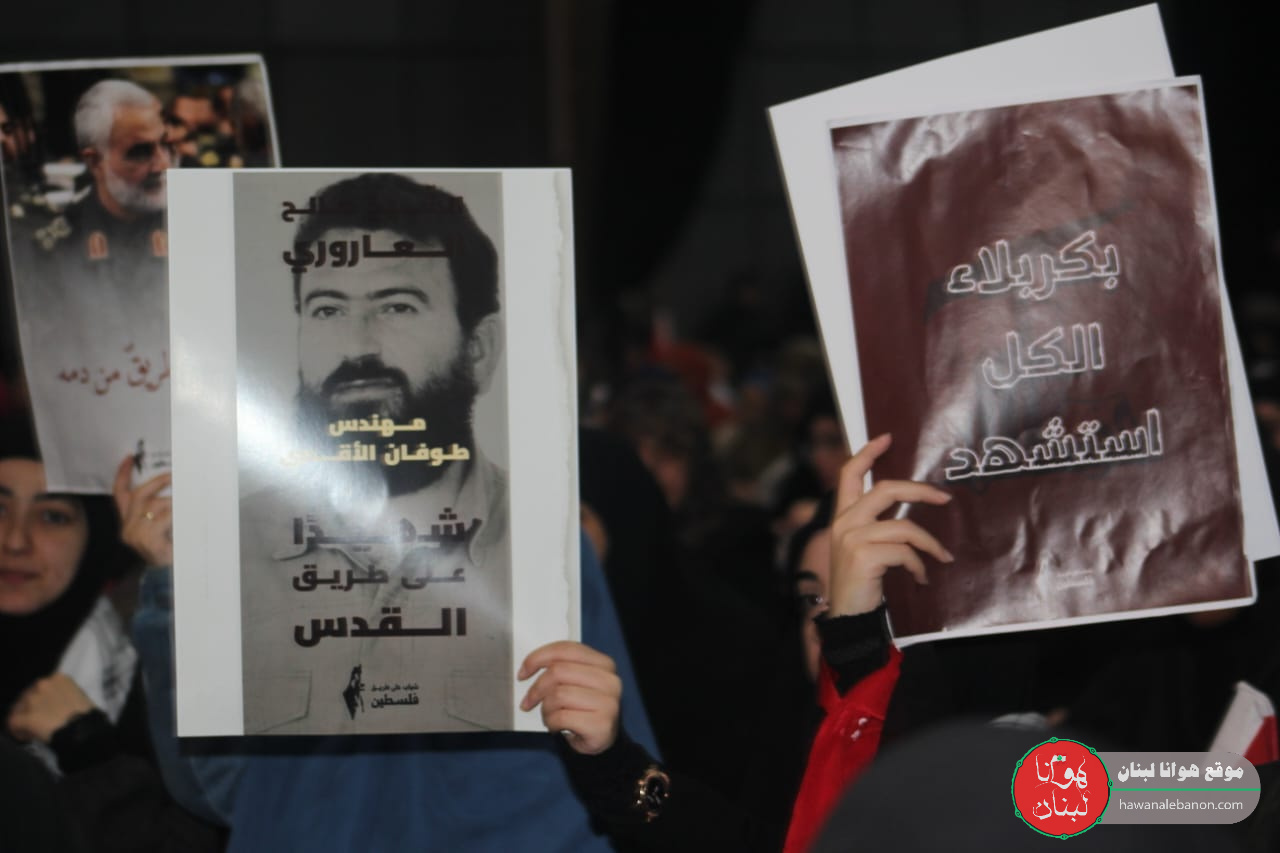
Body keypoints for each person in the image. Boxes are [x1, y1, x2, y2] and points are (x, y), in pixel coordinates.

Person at [117, 457, 658, 852]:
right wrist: (181, 586)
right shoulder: (269, 556)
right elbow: (222, 792)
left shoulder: (540, 545)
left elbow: (640, 795)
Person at [237, 172, 513, 733]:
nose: (357, 346)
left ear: (479, 351)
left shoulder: (552, 548)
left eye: (397, 307)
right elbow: (202, 778)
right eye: (327, 310)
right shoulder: (229, 548)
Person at [0, 418, 220, 852]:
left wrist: (88, 749)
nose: (16, 541)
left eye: (53, 516)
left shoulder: (158, 680)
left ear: (97, 538)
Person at [8, 78, 174, 492]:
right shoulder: (53, 249)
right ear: (94, 161)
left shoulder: (200, 228)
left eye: (164, 145)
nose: (161, 164)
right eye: (140, 151)